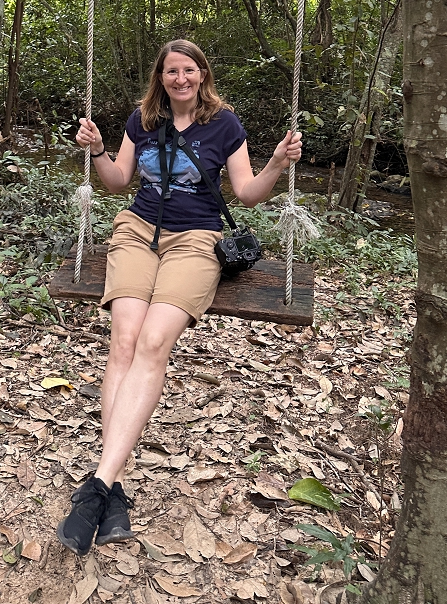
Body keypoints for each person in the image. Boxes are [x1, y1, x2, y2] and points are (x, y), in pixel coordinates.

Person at [56, 39, 302, 555]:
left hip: (196, 241)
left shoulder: (225, 125)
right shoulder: (140, 120)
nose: (180, 79)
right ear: (161, 77)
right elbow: (119, 182)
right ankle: (112, 487)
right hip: (137, 230)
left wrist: (278, 162)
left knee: (153, 342)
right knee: (123, 339)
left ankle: (96, 488)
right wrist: (98, 150)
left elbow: (246, 193)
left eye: (189, 70)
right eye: (172, 71)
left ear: (202, 75)